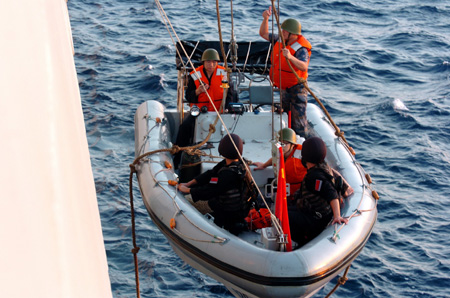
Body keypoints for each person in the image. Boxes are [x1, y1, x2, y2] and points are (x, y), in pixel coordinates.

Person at [177, 133, 251, 235]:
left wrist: (188, 190)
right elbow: (211, 173)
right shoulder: (241, 164)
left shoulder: (228, 174)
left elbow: (210, 191)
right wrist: (190, 183)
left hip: (227, 214)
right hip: (239, 210)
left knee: (187, 200)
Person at [174, 48, 234, 168]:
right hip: (199, 111)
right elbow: (189, 96)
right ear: (203, 62)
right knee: (185, 128)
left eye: (213, 62)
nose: (211, 65)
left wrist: (227, 108)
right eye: (208, 62)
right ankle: (177, 157)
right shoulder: (195, 75)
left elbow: (230, 94)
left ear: (217, 62)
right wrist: (198, 91)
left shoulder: (224, 74)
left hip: (219, 112)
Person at [259, 7, 312, 138]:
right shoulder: (281, 40)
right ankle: (288, 142)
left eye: (284, 31)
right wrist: (265, 18)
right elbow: (264, 34)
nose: (281, 32)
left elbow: (304, 66)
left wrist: (290, 57)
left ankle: (301, 146)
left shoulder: (301, 48)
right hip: (284, 88)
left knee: (298, 123)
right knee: (285, 116)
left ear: (292, 34)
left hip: (297, 89)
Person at [288, 137, 349, 247]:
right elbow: (334, 178)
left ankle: (301, 241)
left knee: (286, 216)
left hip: (316, 219)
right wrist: (345, 190)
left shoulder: (315, 177)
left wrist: (337, 216)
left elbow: (332, 194)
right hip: (314, 212)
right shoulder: (323, 168)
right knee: (288, 207)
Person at [253, 128, 307, 203]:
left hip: (299, 195)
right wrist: (264, 165)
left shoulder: (302, 153)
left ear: (292, 145)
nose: (281, 146)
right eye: (279, 143)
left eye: (284, 144)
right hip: (285, 192)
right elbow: (276, 158)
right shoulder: (282, 152)